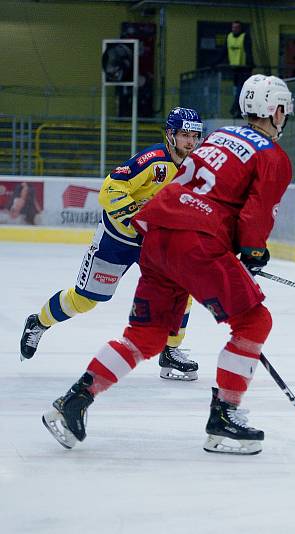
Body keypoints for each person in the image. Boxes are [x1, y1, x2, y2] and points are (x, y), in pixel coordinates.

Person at [42, 75, 294, 455]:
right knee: (255, 321)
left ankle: (72, 402)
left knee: (147, 335)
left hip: (156, 236)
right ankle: (224, 419)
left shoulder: (220, 137)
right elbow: (255, 217)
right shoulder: (273, 156)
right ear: (277, 111)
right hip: (196, 242)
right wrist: (253, 252)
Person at [20, 107, 204, 381]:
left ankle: (170, 351)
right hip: (116, 240)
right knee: (85, 300)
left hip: (152, 245)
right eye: (184, 135)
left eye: (195, 135)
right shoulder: (153, 161)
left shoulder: (195, 169)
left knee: (180, 287)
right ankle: (39, 322)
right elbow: (111, 188)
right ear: (170, 135)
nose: (190, 142)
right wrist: (137, 222)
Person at [226, 21, 253, 118]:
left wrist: (250, 64)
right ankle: (237, 109)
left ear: (240, 29)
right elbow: (224, 51)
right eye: (233, 27)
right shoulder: (229, 37)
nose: (235, 29)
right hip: (234, 68)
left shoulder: (244, 37)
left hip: (244, 68)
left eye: (237, 27)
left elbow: (248, 51)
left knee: (241, 89)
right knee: (237, 90)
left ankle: (236, 109)